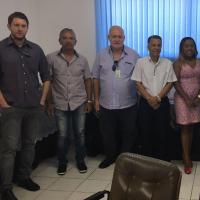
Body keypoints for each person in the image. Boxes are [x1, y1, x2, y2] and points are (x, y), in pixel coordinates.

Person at [0, 12, 50, 200]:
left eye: (23, 25)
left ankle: (24, 177)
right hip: (11, 108)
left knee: (30, 144)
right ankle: (5, 188)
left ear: (27, 27)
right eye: (16, 25)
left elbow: (46, 77)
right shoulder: (1, 49)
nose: (20, 29)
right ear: (9, 26)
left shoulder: (36, 50)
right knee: (9, 148)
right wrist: (4, 105)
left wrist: (42, 100)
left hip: (33, 107)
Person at [92, 26, 139, 168]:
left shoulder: (133, 55)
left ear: (124, 38)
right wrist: (96, 100)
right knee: (107, 133)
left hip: (128, 103)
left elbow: (139, 79)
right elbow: (95, 78)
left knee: (128, 133)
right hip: (106, 103)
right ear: (109, 38)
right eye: (114, 36)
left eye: (119, 36)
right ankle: (110, 157)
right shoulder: (101, 55)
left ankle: (125, 159)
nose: (117, 39)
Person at [46, 28, 92, 175]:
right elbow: (49, 81)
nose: (68, 40)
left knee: (80, 133)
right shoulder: (51, 58)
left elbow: (87, 80)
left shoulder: (83, 60)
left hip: (79, 102)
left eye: (71, 38)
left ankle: (80, 160)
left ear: (75, 41)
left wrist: (89, 100)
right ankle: (62, 162)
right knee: (62, 135)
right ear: (59, 40)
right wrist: (50, 102)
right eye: (64, 38)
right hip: (60, 103)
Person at [131, 35, 177, 161]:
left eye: (159, 45)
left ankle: (162, 162)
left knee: (162, 134)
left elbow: (170, 83)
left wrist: (157, 98)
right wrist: (149, 98)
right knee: (146, 134)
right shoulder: (141, 62)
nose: (156, 48)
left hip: (162, 103)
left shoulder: (167, 63)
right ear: (148, 46)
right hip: (146, 104)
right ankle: (147, 162)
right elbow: (137, 83)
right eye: (153, 45)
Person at [173, 37, 200, 174]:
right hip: (182, 99)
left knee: (191, 126)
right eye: (186, 46)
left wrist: (199, 96)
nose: (189, 48)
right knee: (185, 127)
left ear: (195, 47)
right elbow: (175, 83)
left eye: (192, 45)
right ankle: (186, 158)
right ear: (182, 48)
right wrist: (187, 99)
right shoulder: (177, 63)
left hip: (196, 99)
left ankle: (187, 154)